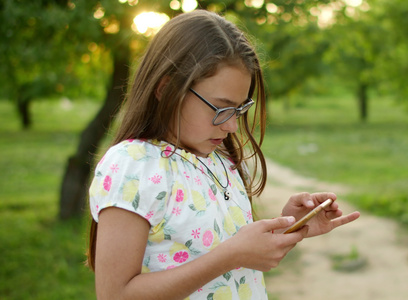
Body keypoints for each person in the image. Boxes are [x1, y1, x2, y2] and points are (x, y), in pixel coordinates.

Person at [87, 9, 360, 300]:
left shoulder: (220, 162)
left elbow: (223, 251)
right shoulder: (135, 165)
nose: (231, 126)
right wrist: (230, 256)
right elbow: (115, 294)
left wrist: (286, 228)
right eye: (220, 108)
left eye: (239, 109)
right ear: (166, 88)